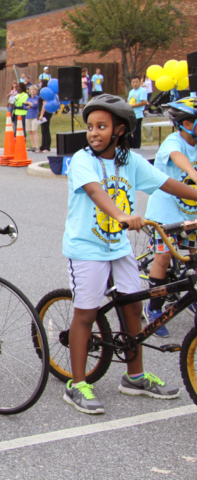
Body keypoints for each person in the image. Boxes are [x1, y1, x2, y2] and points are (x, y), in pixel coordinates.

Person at [62, 94, 188, 414]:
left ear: (119, 130)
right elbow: (96, 192)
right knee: (86, 313)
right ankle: (77, 384)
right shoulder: (82, 160)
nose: (93, 132)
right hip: (87, 248)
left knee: (134, 310)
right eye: (90, 126)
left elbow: (167, 184)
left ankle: (134, 377)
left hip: (118, 248)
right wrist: (120, 215)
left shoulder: (129, 161)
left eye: (102, 126)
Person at [143, 98, 197, 338]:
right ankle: (154, 308)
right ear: (186, 123)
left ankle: (192, 297)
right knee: (164, 257)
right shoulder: (173, 142)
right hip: (165, 213)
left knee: (194, 259)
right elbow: (181, 161)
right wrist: (194, 174)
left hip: (191, 213)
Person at [127, 76, 148, 149]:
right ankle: (131, 146)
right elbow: (129, 101)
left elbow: (144, 102)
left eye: (136, 82)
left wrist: (133, 106)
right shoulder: (131, 92)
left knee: (136, 133)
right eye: (133, 82)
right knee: (128, 133)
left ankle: (137, 148)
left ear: (139, 82)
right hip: (130, 115)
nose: (135, 84)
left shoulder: (142, 91)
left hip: (138, 115)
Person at [25, 85, 40, 152]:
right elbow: (24, 106)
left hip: (34, 116)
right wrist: (29, 104)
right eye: (32, 90)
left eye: (34, 90)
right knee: (30, 131)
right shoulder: (28, 98)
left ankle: (37, 146)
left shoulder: (37, 98)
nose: (33, 91)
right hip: (28, 115)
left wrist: (29, 104)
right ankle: (33, 146)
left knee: (34, 131)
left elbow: (35, 105)